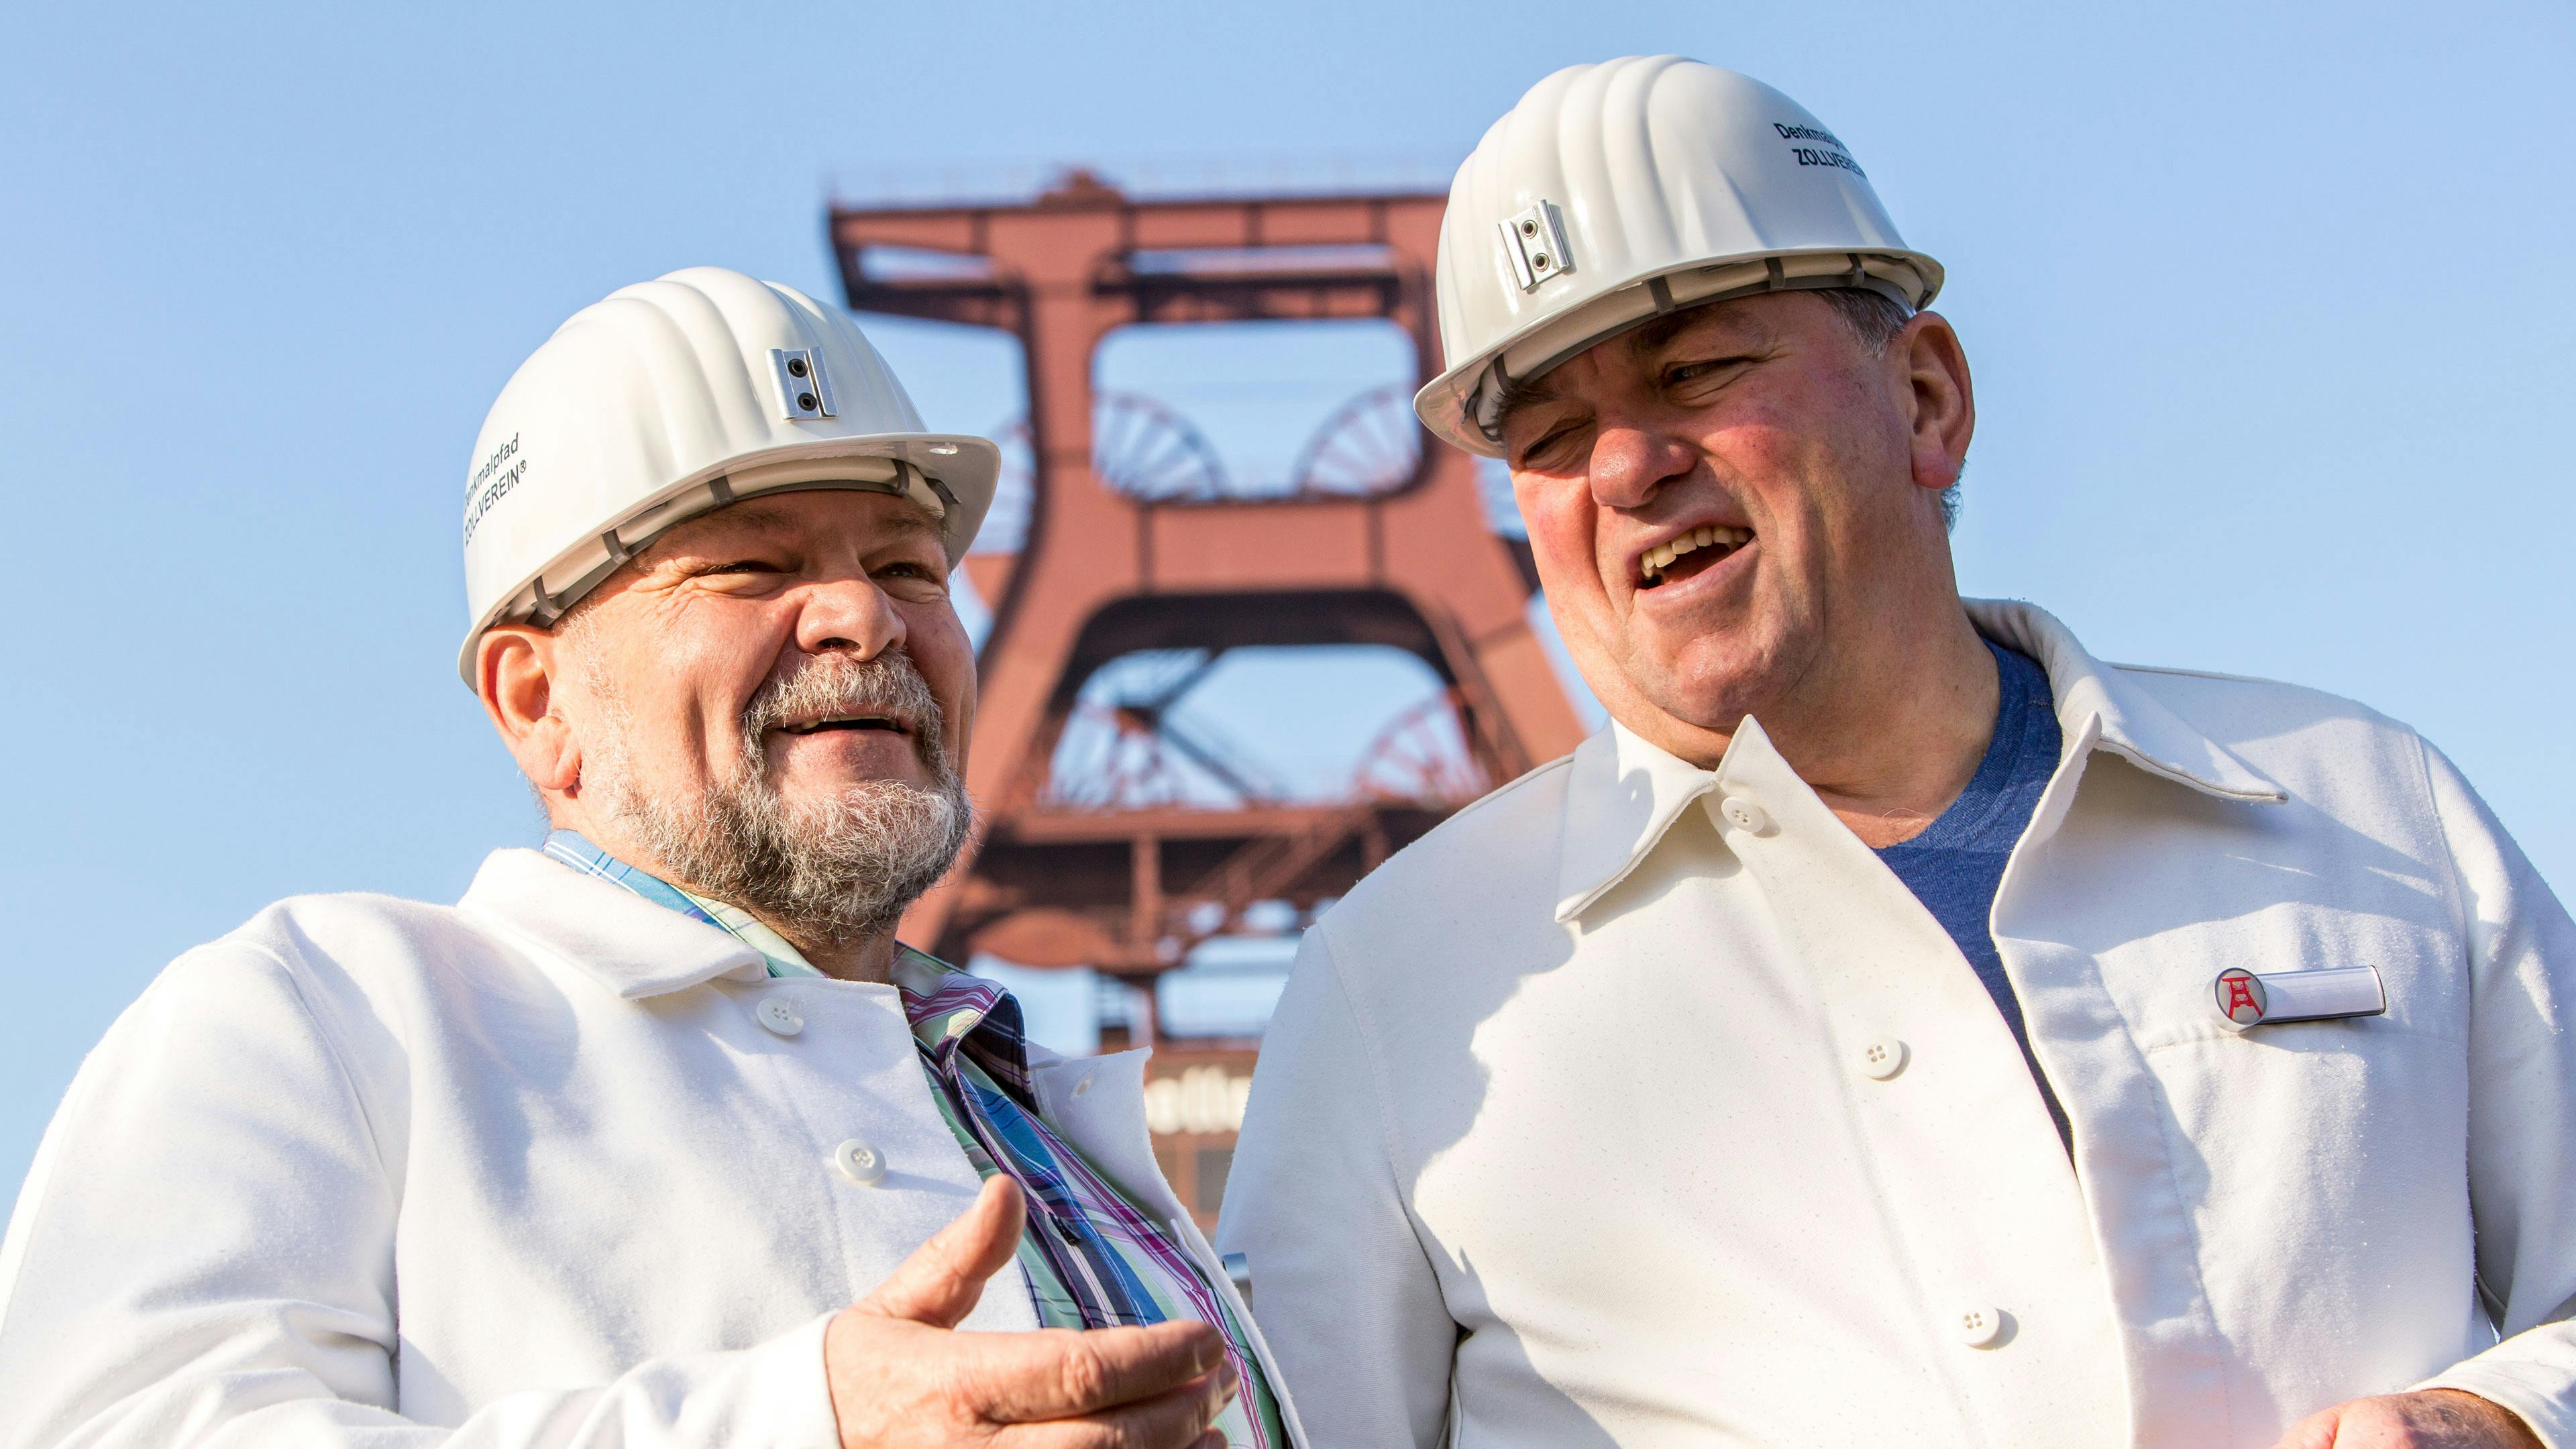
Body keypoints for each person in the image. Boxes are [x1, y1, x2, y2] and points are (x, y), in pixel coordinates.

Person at [1220, 56, 2575, 1449]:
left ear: (1927, 398)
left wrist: (2503, 1420)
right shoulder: (1393, 991)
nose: (1624, 471)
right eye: (1553, 439)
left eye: (1697, 370)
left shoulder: (2373, 811)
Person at [0, 267, 1302, 1449]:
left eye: (909, 566)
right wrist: (807, 1427)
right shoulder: (326, 1023)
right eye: (751, 566)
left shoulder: (1058, 1131)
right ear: (536, 703)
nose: (863, 614)